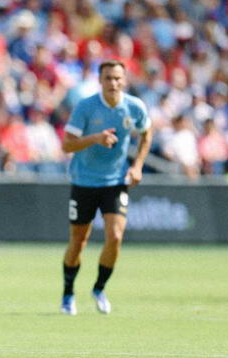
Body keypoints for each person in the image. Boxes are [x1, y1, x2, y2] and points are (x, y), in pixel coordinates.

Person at [60, 59, 152, 315]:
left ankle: (99, 288)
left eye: (117, 78)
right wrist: (95, 139)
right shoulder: (86, 107)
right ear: (100, 81)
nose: (113, 83)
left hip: (115, 182)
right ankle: (68, 293)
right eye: (108, 78)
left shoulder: (134, 107)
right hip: (83, 181)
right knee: (78, 242)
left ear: (124, 80)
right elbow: (67, 145)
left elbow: (147, 133)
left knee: (115, 236)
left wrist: (138, 166)